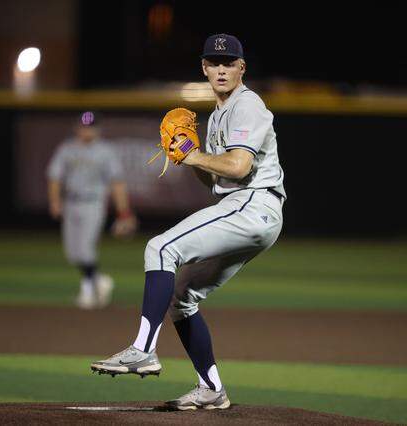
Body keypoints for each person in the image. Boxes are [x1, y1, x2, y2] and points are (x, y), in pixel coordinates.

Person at [90, 34, 286, 411]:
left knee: (160, 247)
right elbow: (216, 180)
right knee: (182, 299)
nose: (221, 69)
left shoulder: (248, 105)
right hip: (246, 209)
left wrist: (192, 154)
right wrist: (186, 157)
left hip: (253, 204)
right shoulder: (216, 119)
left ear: (242, 68)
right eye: (214, 63)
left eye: (229, 63)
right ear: (204, 68)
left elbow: (239, 167)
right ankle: (211, 388)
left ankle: (143, 350)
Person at [47, 111, 137, 309]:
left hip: (93, 203)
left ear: (97, 129)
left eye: (91, 127)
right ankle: (99, 281)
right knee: (72, 253)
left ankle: (87, 292)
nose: (87, 131)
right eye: (83, 127)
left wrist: (124, 212)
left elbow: (117, 183)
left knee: (86, 249)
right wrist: (55, 201)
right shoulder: (67, 149)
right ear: (77, 128)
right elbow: (54, 177)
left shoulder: (106, 151)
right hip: (70, 203)